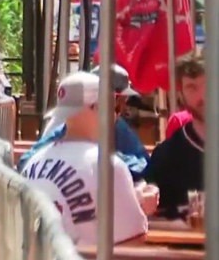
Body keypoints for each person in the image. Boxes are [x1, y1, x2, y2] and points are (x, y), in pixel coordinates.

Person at [20, 71, 155, 245]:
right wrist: (140, 205)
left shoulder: (33, 162)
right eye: (113, 107)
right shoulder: (108, 165)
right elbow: (132, 243)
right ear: (98, 107)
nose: (115, 115)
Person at [19, 64, 151, 180]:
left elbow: (143, 165)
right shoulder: (68, 125)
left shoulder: (116, 127)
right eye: (123, 98)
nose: (124, 104)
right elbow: (26, 161)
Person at [144, 54, 205, 219]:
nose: (203, 96)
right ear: (181, 94)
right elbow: (151, 218)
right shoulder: (168, 155)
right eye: (192, 87)